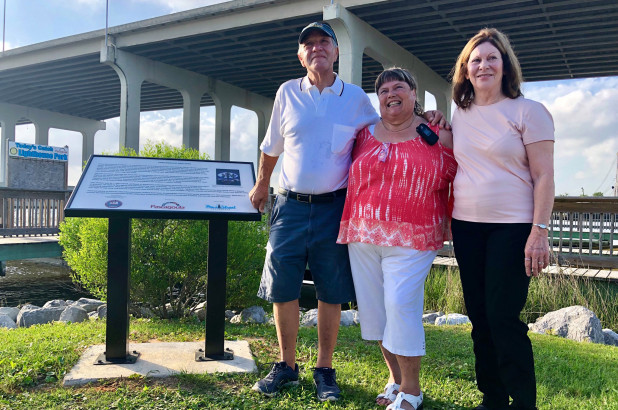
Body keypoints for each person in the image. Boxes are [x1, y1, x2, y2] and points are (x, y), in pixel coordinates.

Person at [249, 22, 445, 401]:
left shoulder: (355, 98)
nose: (317, 48)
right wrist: (261, 184)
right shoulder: (286, 93)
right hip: (288, 204)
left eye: (325, 41)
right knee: (283, 287)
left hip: (334, 207)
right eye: (309, 44)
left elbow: (393, 124)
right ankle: (287, 366)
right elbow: (271, 146)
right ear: (300, 55)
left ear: (336, 51)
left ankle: (324, 368)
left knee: (330, 289)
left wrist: (429, 117)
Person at [337, 67, 456, 410]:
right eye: (384, 88)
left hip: (415, 237)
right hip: (363, 234)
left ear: (414, 93)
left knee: (401, 305)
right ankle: (395, 379)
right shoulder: (363, 133)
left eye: (399, 86)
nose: (391, 92)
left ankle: (413, 391)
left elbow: (456, 176)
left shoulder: (436, 130)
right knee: (375, 312)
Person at [450, 28, 555, 410]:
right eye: (475, 60)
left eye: (492, 58)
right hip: (466, 226)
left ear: (506, 65)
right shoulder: (459, 115)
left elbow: (544, 175)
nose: (483, 65)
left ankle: (524, 402)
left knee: (503, 316)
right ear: (465, 69)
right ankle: (492, 398)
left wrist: (538, 232)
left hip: (512, 229)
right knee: (479, 316)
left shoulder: (529, 111)